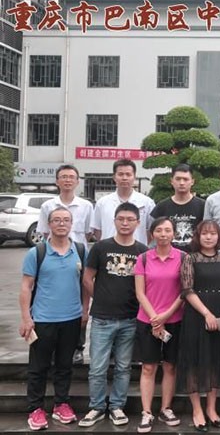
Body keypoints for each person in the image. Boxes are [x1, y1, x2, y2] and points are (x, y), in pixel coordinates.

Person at [78, 202, 148, 429]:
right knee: (97, 367)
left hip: (130, 318)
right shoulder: (100, 247)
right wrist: (99, 298)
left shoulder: (142, 251)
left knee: (123, 367)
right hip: (102, 318)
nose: (125, 223)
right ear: (114, 221)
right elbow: (87, 278)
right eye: (121, 219)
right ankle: (97, 407)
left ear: (138, 223)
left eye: (130, 219)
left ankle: (117, 406)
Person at [18, 208, 87, 431]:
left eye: (66, 220)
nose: (61, 224)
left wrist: (85, 310)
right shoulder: (37, 252)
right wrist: (26, 317)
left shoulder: (80, 250)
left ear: (71, 224)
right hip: (43, 319)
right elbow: (26, 287)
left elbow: (86, 283)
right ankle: (35, 408)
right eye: (56, 220)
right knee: (38, 367)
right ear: (49, 224)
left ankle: (61, 404)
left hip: (72, 318)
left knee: (65, 366)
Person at [178, 220, 220, 431]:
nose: (209, 237)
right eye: (205, 233)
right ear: (198, 236)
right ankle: (197, 410)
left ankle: (211, 408)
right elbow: (187, 290)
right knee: (194, 361)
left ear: (218, 236)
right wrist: (206, 314)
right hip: (197, 314)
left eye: (213, 233)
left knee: (215, 360)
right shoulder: (190, 258)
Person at [37, 164, 93, 365]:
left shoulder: (86, 206)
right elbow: (44, 232)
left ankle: (78, 347)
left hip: (77, 257)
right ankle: (52, 346)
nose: (68, 180)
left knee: (81, 302)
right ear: (57, 181)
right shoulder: (47, 206)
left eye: (71, 177)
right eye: (63, 177)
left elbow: (89, 233)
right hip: (53, 257)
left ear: (77, 181)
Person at [134, 217, 184, 433]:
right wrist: (155, 318)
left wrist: (166, 315)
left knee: (170, 366)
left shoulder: (183, 257)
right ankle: (146, 412)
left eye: (168, 230)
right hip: (148, 320)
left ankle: (166, 408)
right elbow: (139, 292)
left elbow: (184, 291)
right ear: (152, 233)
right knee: (148, 367)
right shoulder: (143, 258)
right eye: (159, 230)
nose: (163, 234)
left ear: (174, 233)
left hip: (174, 319)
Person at [91, 158, 155, 245]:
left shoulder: (147, 203)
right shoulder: (102, 203)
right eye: (120, 174)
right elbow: (97, 230)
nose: (124, 178)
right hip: (108, 250)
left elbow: (151, 230)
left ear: (134, 177)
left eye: (128, 174)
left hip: (137, 250)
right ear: (114, 177)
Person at [151, 164, 205, 252]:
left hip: (195, 256)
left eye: (185, 179)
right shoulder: (162, 206)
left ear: (192, 181)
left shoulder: (202, 206)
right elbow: (152, 233)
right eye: (178, 179)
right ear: (171, 181)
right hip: (168, 256)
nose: (182, 183)